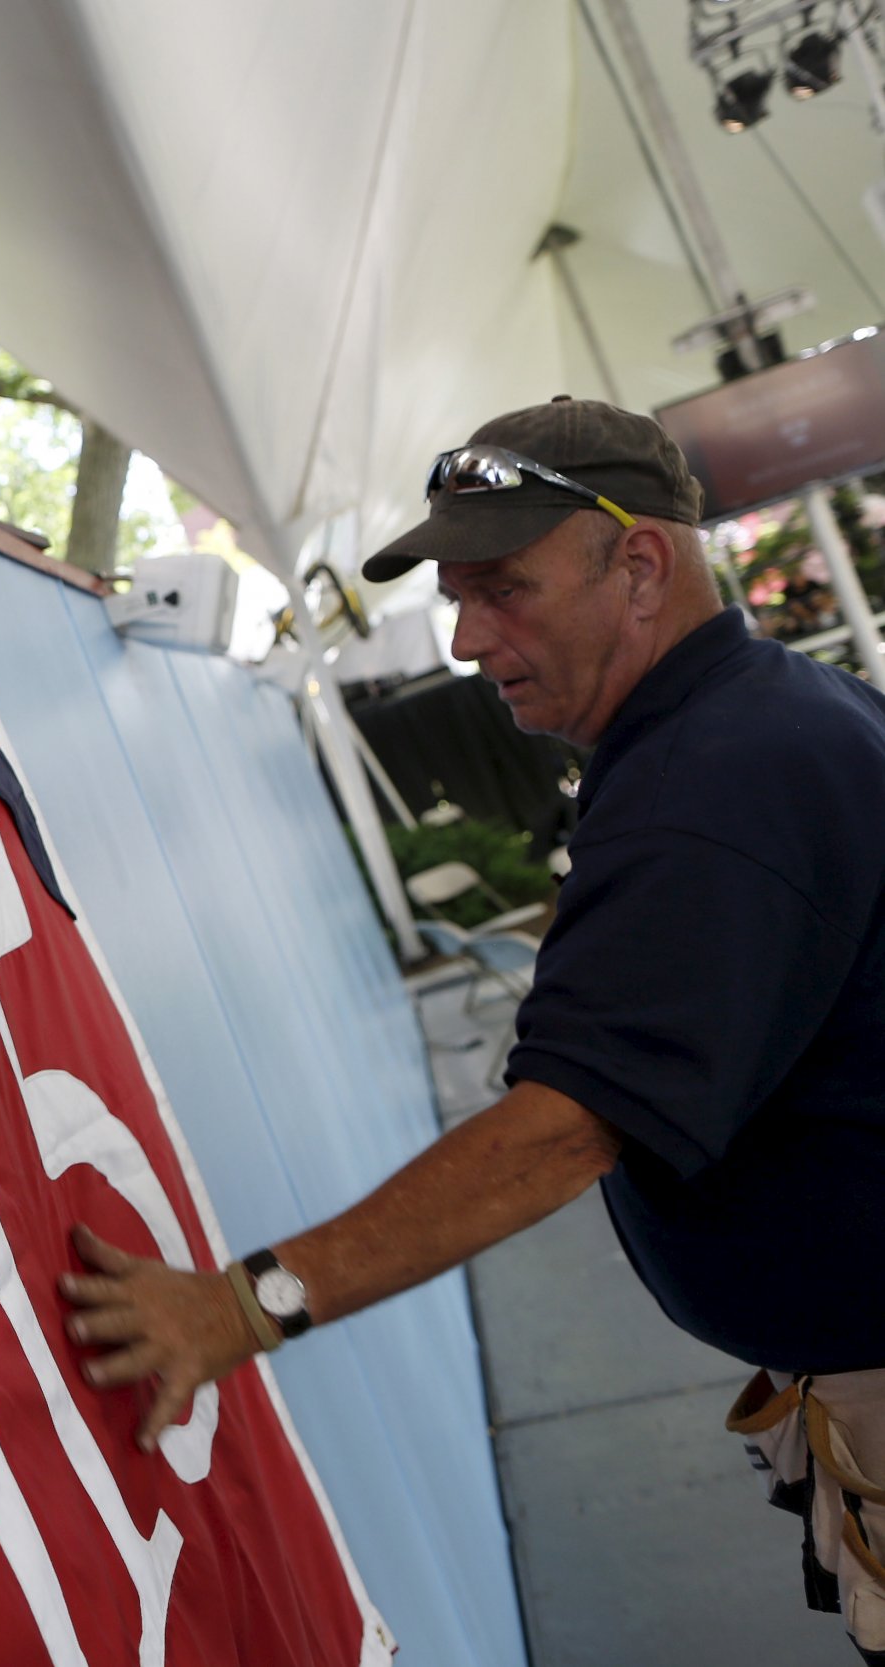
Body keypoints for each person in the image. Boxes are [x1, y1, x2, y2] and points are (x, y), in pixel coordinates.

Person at [58, 397, 885, 1658]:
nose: (462, 638)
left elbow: (560, 1132)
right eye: (454, 594)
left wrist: (242, 1305)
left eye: (502, 588)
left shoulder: (714, 781)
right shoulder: (740, 720)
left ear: (640, 562)